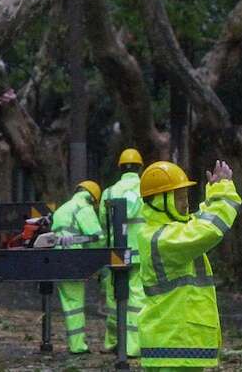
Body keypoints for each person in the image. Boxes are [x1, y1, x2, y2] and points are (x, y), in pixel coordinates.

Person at [134, 159, 242, 368]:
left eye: (185, 196)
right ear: (160, 201)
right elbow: (208, 230)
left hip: (173, 343)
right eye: (179, 197)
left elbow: (198, 222)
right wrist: (224, 192)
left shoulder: (164, 232)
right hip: (174, 343)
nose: (185, 203)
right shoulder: (162, 238)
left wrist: (213, 195)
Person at [100, 147, 147, 356]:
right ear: (140, 167)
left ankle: (113, 342)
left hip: (115, 251)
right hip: (140, 250)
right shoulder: (146, 189)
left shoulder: (109, 192)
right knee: (137, 298)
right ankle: (133, 346)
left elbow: (103, 221)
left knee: (113, 297)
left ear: (120, 168)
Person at [50, 179, 104, 354]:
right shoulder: (84, 208)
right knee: (75, 304)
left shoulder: (62, 208)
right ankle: (78, 346)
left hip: (57, 258)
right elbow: (97, 237)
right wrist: (97, 264)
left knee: (68, 302)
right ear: (93, 199)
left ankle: (76, 344)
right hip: (73, 258)